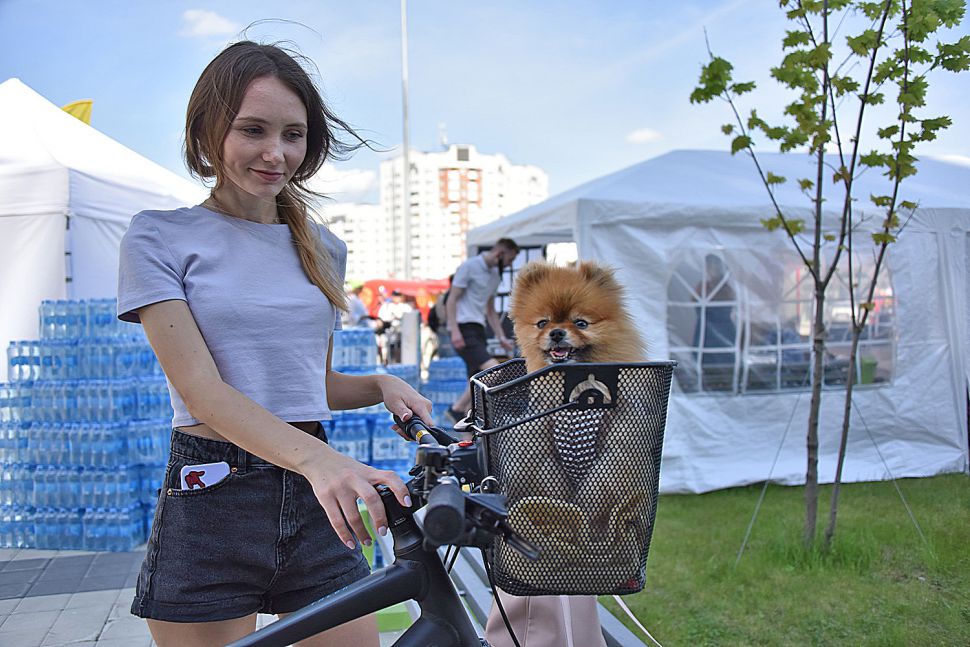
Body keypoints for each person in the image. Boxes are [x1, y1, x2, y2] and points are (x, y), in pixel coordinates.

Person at [116, 41, 430, 647]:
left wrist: (381, 383)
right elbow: (202, 391)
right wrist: (320, 463)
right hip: (215, 491)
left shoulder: (324, 247)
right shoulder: (158, 237)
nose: (275, 153)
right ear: (207, 131)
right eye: (252, 130)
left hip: (317, 497)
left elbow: (313, 386)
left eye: (293, 134)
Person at [443, 239, 519, 423]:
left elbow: (490, 310)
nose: (510, 265)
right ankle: (456, 409)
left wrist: (501, 336)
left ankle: (467, 423)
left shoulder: (495, 275)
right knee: (493, 371)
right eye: (510, 259)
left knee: (476, 380)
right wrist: (454, 330)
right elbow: (452, 299)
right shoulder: (469, 266)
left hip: (478, 328)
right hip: (463, 326)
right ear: (500, 253)